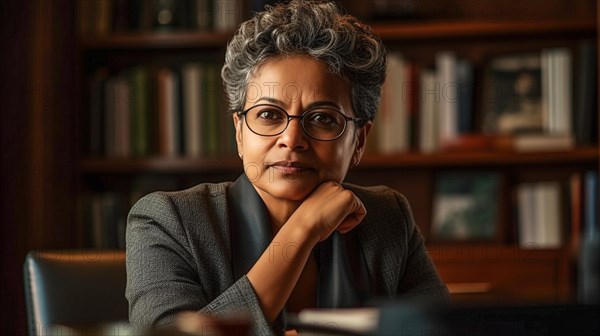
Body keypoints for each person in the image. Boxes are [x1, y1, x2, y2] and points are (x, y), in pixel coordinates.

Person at [125, 1, 450, 335]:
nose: (292, 139)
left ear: (359, 141)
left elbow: (442, 331)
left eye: (323, 118)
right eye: (269, 114)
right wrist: (303, 229)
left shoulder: (388, 217)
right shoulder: (168, 221)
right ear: (239, 132)